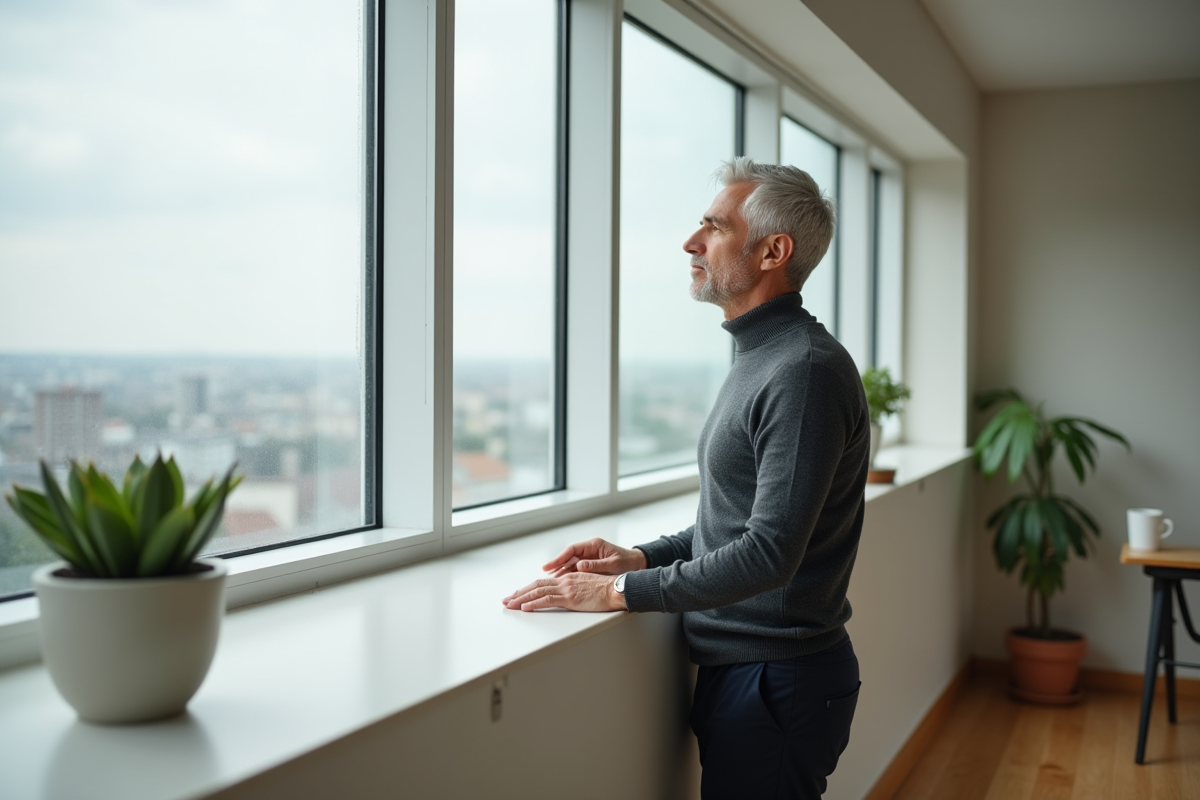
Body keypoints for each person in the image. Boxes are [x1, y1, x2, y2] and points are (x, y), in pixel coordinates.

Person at [502, 157, 870, 799]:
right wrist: (639, 555)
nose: (690, 242)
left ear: (772, 251)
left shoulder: (803, 372)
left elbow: (768, 554)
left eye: (714, 227)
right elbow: (730, 520)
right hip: (749, 673)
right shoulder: (765, 357)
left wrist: (620, 590)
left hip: (776, 679)